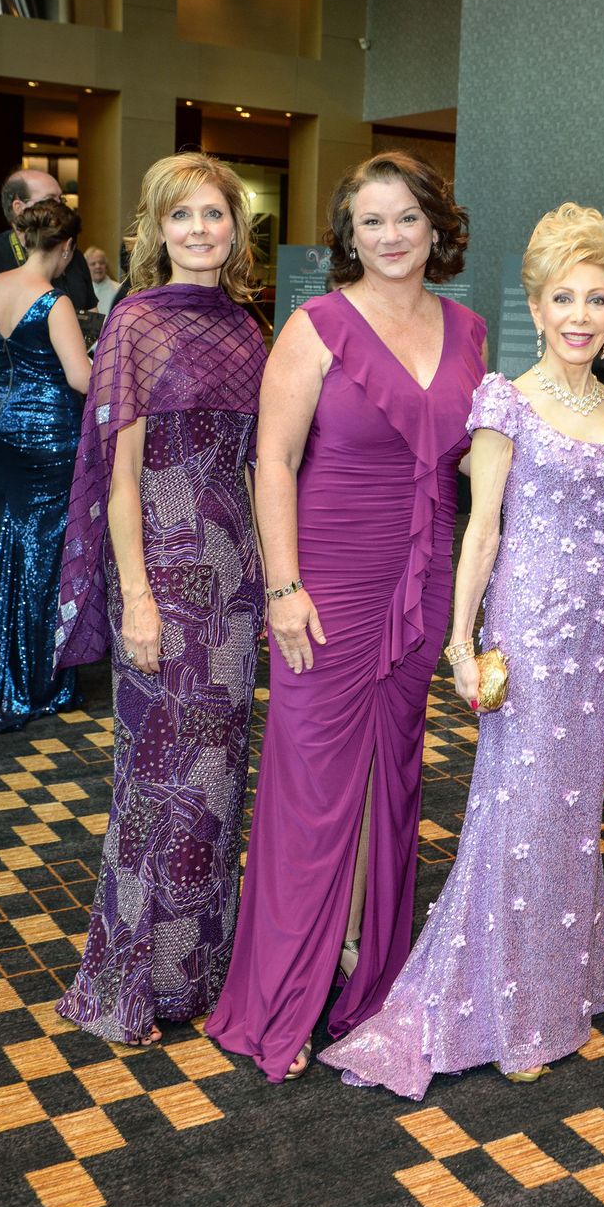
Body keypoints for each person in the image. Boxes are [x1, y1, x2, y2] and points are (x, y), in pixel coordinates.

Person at [320, 203, 604, 1099]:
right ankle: (505, 1006)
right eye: (562, 299)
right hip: (531, 634)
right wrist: (463, 645)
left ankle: (557, 986)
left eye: (596, 300)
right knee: (519, 814)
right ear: (534, 308)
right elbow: (483, 529)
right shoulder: (508, 400)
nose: (580, 316)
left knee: (574, 815)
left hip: (599, 639)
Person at [205, 151, 487, 1082]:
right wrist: (283, 587)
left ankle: (367, 976)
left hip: (423, 576)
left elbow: (474, 467)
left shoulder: (469, 330)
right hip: (326, 579)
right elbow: (273, 463)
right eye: (372, 221)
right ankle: (282, 995)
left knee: (393, 779)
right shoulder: (316, 325)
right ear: (348, 235)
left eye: (408, 217)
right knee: (313, 787)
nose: (392, 236)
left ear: (437, 227)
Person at [52, 152, 268, 1045]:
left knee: (216, 782)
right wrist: (136, 596)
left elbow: (258, 469)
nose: (200, 230)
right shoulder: (134, 323)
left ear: (236, 228)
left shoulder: (250, 329)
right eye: (182, 216)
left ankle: (197, 976)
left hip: (236, 583)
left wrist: (273, 578)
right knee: (154, 778)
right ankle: (127, 984)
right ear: (156, 229)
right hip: (166, 572)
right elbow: (119, 476)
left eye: (214, 214)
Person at [0, 200, 91, 736]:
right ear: (67, 248)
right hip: (48, 433)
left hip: (1, 424)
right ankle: (37, 676)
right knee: (47, 549)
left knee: (16, 537)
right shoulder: (54, 301)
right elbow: (81, 379)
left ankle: (10, 661)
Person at [0, 167, 97, 373]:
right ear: (18, 207)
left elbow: (92, 321)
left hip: (72, 381)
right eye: (50, 199)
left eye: (61, 199)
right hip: (5, 384)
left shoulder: (74, 257)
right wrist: (35, 360)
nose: (60, 206)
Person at [84, 246, 120, 313]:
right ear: (86, 268)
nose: (98, 266)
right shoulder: (82, 291)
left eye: (101, 263)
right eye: (93, 264)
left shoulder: (118, 289)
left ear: (106, 266)